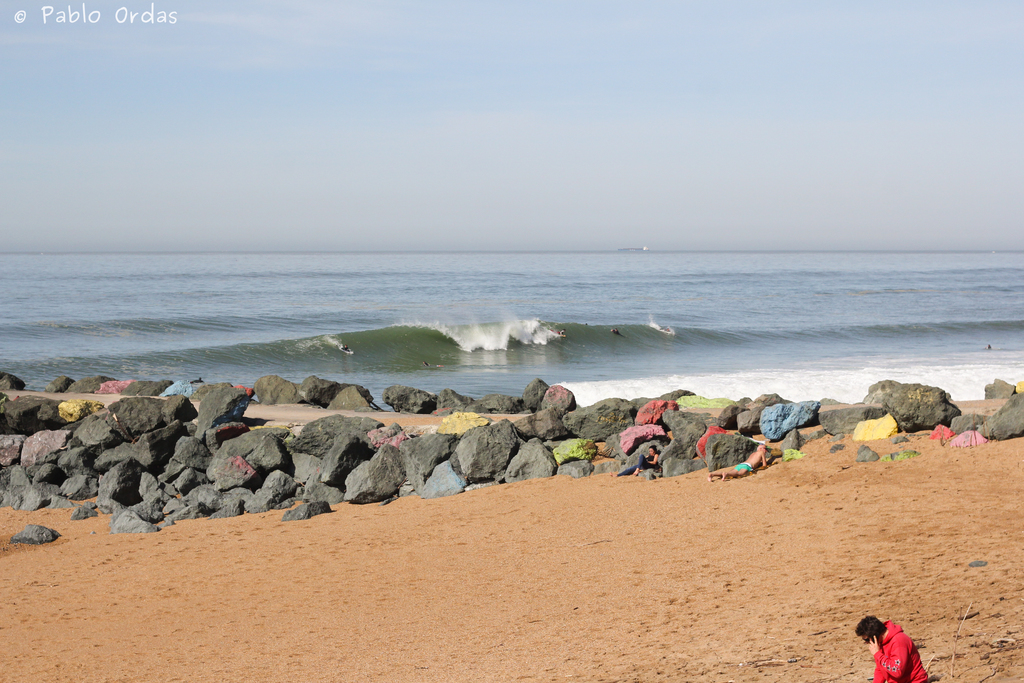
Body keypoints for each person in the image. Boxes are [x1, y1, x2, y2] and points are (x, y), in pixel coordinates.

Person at [855, 616, 927, 683]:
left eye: (867, 639)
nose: (867, 643)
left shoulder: (899, 641)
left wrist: (878, 654)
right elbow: (880, 669)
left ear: (875, 635)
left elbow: (897, 671)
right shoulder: (880, 643)